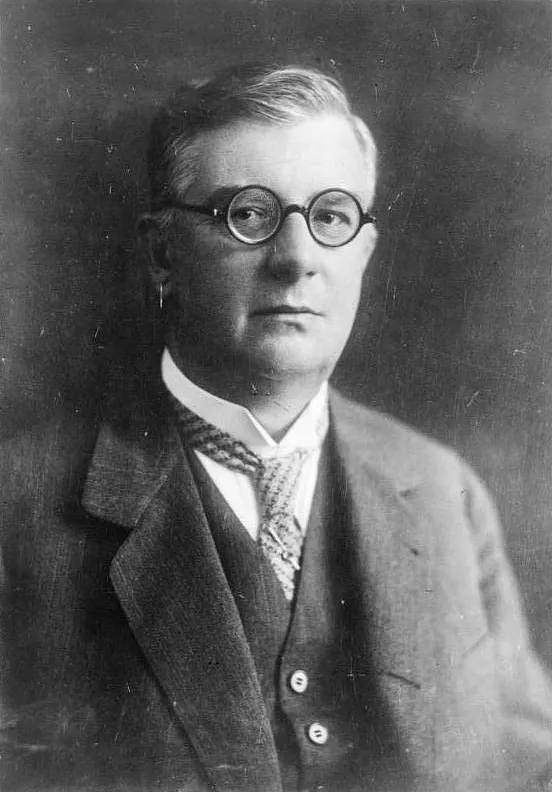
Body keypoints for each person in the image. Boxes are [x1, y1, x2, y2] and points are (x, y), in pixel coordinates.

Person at [1, 61, 552, 792]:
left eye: (331, 217)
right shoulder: (20, 509)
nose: (297, 260)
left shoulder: (443, 489)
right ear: (164, 254)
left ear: (362, 252)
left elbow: (527, 769)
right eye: (250, 215)